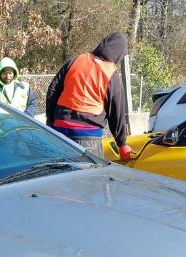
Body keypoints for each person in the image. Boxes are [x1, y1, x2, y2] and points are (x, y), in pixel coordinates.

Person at [45, 32, 133, 161]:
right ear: (119, 54)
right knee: (89, 179)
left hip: (61, 128)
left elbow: (53, 90)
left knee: (61, 176)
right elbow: (116, 112)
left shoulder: (78, 60)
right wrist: (122, 144)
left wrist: (51, 121)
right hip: (88, 134)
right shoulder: (111, 74)